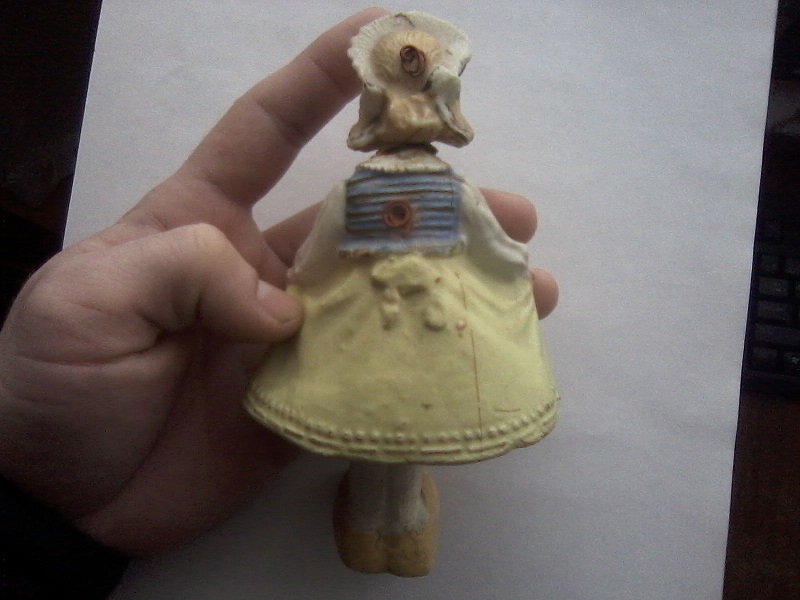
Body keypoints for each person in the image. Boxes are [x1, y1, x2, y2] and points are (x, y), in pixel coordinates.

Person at [0, 8, 558, 598]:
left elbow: (318, 254)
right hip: (434, 314)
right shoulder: (447, 189)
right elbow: (491, 242)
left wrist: (305, 286)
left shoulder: (361, 187)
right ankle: (401, 521)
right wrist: (507, 273)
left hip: (368, 312)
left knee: (372, 412)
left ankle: (372, 519)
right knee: (411, 411)